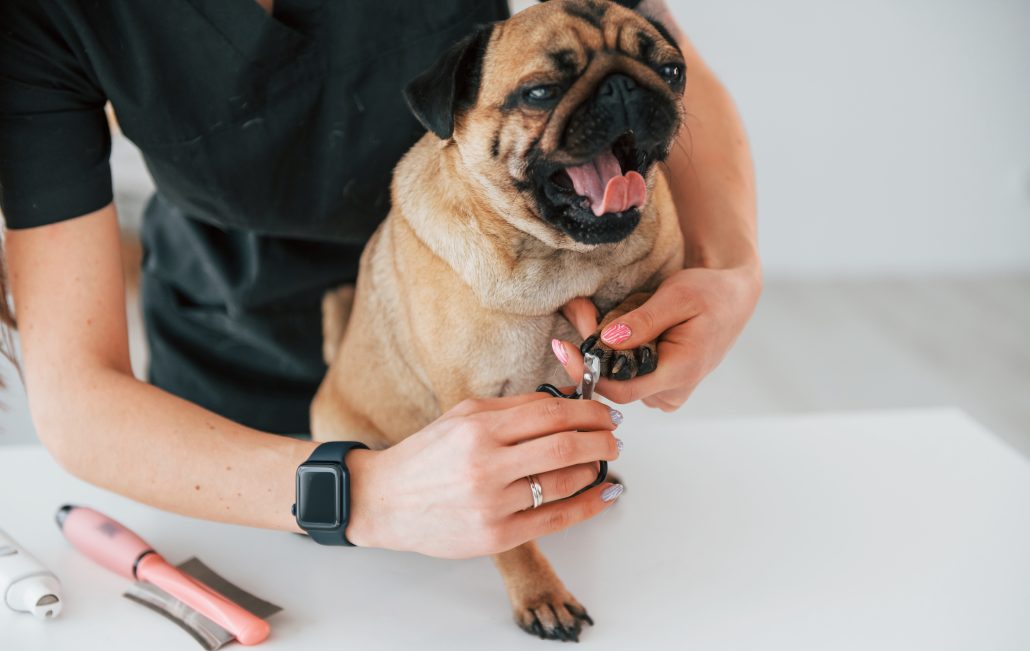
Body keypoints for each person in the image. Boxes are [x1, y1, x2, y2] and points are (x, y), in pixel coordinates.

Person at [0, 0, 760, 558]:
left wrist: (732, 273)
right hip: (226, 404)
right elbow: (74, 399)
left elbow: (656, 49)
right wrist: (357, 493)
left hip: (522, 351)